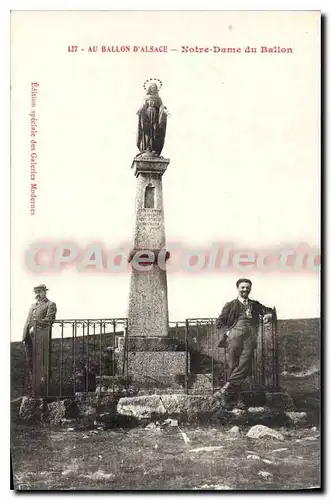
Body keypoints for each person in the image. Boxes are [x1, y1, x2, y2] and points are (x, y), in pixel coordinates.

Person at [216, 278, 274, 406]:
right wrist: (228, 332)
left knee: (244, 366)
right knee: (232, 366)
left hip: (249, 338)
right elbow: (219, 322)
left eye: (247, 287)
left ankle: (225, 391)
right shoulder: (230, 305)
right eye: (242, 287)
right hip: (234, 338)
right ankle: (235, 399)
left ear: (250, 289)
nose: (245, 290)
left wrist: (269, 314)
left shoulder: (254, 304)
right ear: (238, 289)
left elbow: (268, 310)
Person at [22, 284, 57, 396]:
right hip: (28, 337)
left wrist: (35, 327)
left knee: (42, 363)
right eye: (36, 292)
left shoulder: (50, 304)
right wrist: (25, 334)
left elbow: (49, 319)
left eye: (40, 291)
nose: (37, 294)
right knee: (30, 362)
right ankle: (33, 388)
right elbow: (28, 321)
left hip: (41, 337)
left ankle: (43, 390)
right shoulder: (33, 305)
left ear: (45, 292)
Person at [136, 82, 168, 155]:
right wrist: (140, 110)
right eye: (152, 87)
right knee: (147, 132)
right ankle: (147, 148)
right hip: (147, 118)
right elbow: (143, 106)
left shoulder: (158, 99)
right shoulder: (146, 97)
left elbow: (161, 107)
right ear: (149, 88)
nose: (153, 88)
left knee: (155, 132)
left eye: (155, 87)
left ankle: (154, 148)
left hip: (155, 118)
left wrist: (164, 110)